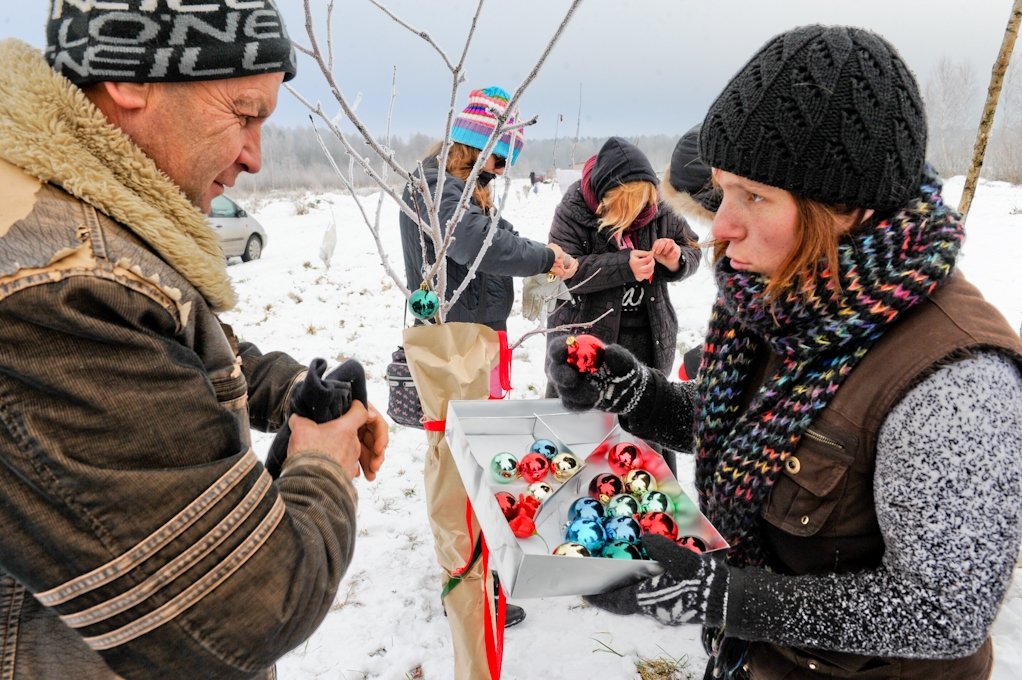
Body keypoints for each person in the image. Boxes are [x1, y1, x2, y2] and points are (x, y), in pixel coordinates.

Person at [547, 24, 1022, 680]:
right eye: (722, 190)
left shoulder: (956, 379)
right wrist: (648, 400)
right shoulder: (786, 298)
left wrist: (733, 598)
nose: (722, 227)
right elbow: (769, 437)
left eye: (755, 197)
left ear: (847, 208)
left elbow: (943, 609)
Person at [0, 4, 388, 679]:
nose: (255, 158)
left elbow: (165, 343)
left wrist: (292, 391)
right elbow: (249, 608)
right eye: (244, 114)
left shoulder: (63, 217)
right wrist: (322, 462)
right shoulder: (58, 284)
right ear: (129, 76)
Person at [544, 136, 700, 473]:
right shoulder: (573, 209)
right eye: (626, 209)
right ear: (603, 200)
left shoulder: (659, 207)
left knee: (645, 434)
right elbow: (563, 271)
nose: (637, 217)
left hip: (646, 337)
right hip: (586, 337)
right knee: (577, 433)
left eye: (643, 206)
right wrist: (622, 265)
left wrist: (676, 259)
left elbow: (693, 248)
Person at [400, 86, 576, 332]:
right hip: (451, 340)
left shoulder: (466, 189)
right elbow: (476, 241)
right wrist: (543, 258)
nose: (503, 170)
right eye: (501, 159)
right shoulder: (433, 187)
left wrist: (548, 257)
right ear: (477, 148)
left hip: (476, 337)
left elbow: (503, 234)